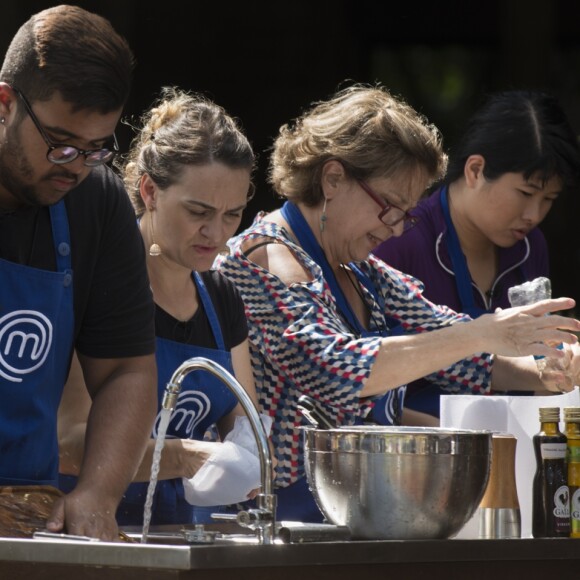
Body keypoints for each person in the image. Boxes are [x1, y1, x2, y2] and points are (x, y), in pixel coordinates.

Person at [215, 83, 580, 522]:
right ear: (333, 179)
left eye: (407, 215)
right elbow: (332, 369)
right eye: (390, 207)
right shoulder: (260, 257)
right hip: (278, 520)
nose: (396, 229)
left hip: (352, 510)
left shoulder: (363, 270)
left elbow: (456, 349)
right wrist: (483, 331)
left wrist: (547, 371)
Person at [58, 87, 265, 526]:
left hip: (186, 530)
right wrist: (186, 456)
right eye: (198, 211)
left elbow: (245, 426)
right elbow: (69, 444)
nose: (217, 232)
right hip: (90, 527)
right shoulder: (98, 279)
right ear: (150, 191)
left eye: (233, 214)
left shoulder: (222, 296)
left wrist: (249, 459)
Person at [0, 5, 157, 540]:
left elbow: (125, 372)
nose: (73, 164)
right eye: (60, 142)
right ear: (5, 104)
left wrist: (98, 492)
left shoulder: (97, 201)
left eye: (95, 149)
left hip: (28, 510)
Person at [373, 90, 580, 418]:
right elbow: (360, 376)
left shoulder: (531, 246)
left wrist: (563, 363)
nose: (534, 214)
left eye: (548, 199)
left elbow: (542, 370)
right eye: (526, 193)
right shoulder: (399, 238)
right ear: (475, 170)